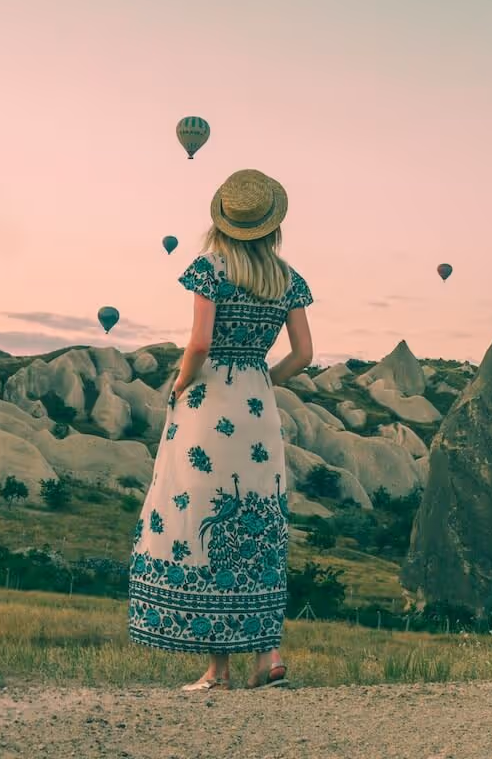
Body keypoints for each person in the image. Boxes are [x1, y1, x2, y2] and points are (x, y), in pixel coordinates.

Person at [127, 168, 316, 690]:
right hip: (257, 409)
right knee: (259, 522)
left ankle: (218, 670)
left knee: (205, 517)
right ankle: (268, 657)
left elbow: (199, 344)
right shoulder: (288, 278)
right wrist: (263, 379)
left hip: (209, 407)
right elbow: (305, 354)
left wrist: (178, 386)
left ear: (223, 222)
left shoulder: (210, 268)